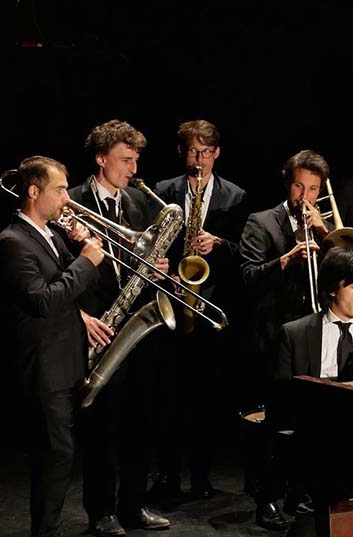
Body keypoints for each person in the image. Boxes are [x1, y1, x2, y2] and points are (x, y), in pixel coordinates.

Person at [0, 156, 105, 537]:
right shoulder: (12, 241)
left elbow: (69, 291)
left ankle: (51, 536)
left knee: (61, 455)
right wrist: (86, 261)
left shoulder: (49, 234)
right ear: (34, 192)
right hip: (42, 367)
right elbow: (41, 300)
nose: (67, 198)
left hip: (65, 360)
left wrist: (80, 250)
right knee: (56, 455)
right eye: (60, 190)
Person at [256, 248, 353, 537]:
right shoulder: (295, 333)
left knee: (349, 489)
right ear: (332, 289)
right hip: (308, 437)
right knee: (332, 489)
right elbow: (282, 395)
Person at [67, 119, 171, 537]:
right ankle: (101, 511)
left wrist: (160, 269)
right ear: (100, 158)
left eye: (135, 160)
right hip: (98, 324)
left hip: (138, 324)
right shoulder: (71, 203)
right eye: (125, 160)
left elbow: (153, 257)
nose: (133, 169)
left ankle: (133, 504)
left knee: (141, 419)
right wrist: (79, 317)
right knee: (102, 424)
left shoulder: (141, 204)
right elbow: (56, 269)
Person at [148, 119, 248, 506]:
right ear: (181, 152)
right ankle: (168, 476)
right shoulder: (163, 191)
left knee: (206, 397)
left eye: (206, 152)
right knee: (169, 397)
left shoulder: (236, 196)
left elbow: (245, 253)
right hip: (172, 301)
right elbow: (153, 242)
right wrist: (165, 266)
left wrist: (219, 243)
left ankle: (202, 477)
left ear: (217, 153)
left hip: (211, 305)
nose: (199, 159)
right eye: (192, 151)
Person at [240, 150, 331, 529]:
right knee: (274, 421)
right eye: (299, 186)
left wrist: (326, 234)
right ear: (287, 183)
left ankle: (301, 491)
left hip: (313, 334)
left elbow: (344, 268)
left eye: (313, 189)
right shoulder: (261, 222)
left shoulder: (322, 225)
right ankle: (267, 498)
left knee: (308, 420)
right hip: (274, 335)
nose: (305, 196)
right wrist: (286, 260)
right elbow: (247, 277)